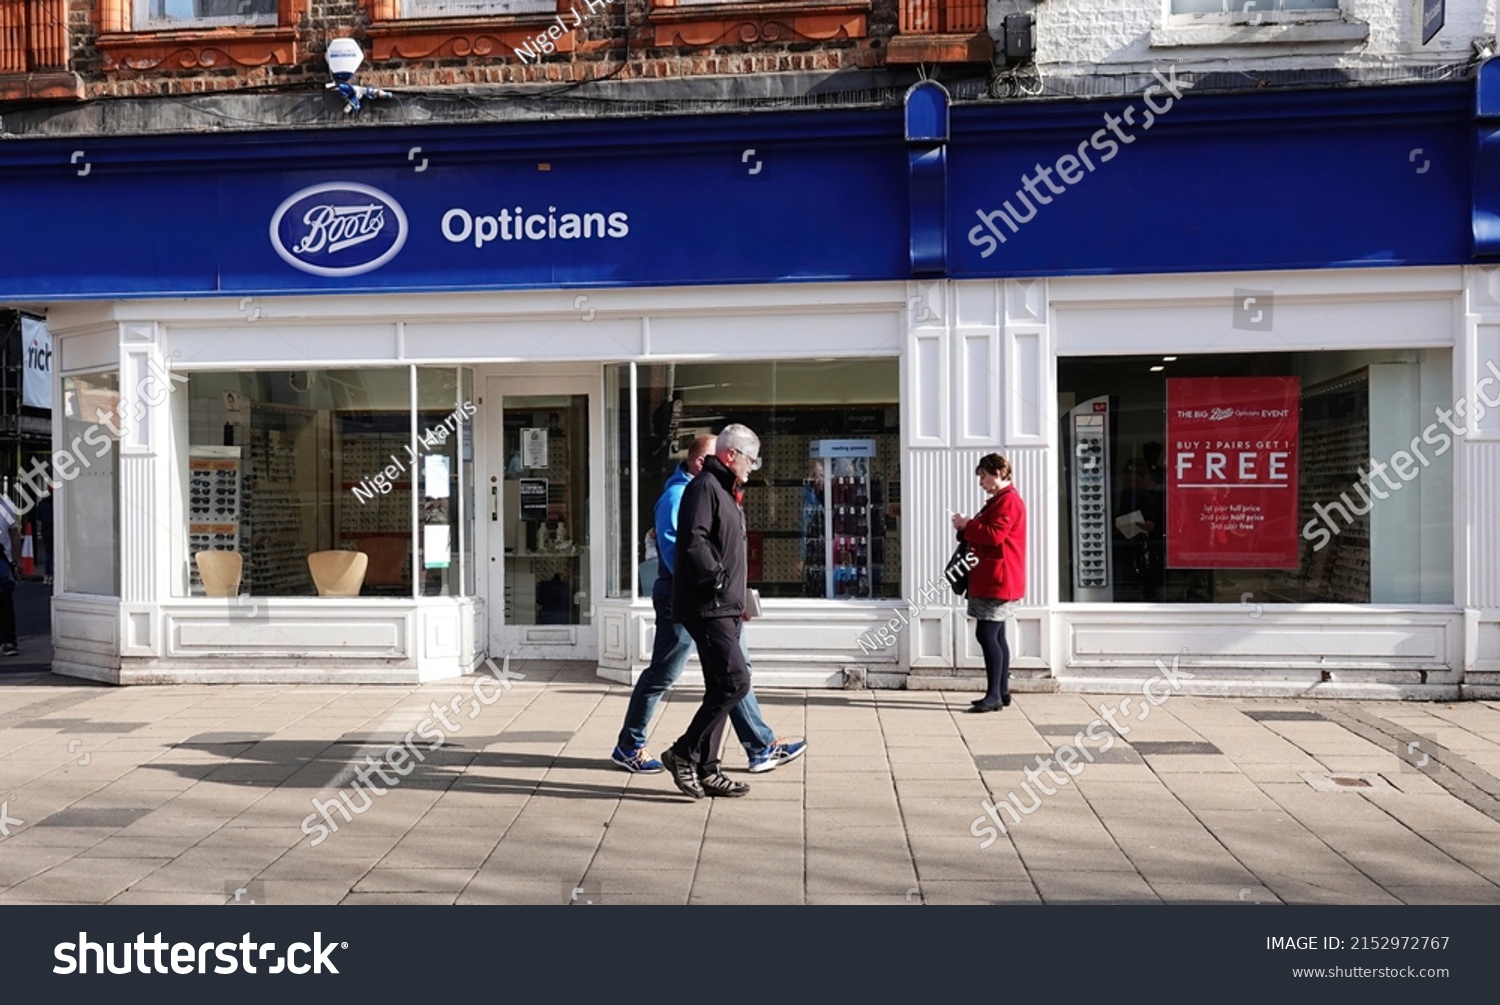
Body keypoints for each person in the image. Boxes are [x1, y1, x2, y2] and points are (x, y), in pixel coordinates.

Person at [611, 434, 805, 776]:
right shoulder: (680, 495)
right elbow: (680, 555)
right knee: (665, 673)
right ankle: (630, 744)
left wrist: (731, 593)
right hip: (686, 600)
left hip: (716, 601)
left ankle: (759, 746)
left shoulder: (712, 489)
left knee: (733, 672)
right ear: (702, 462)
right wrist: (716, 586)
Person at [660, 424, 765, 798]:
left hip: (726, 606)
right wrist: (721, 584)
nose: (754, 467)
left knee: (722, 686)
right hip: (708, 606)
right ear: (730, 455)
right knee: (735, 682)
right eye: (751, 459)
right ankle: (683, 753)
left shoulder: (724, 489)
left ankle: (707, 767)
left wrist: (739, 597)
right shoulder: (704, 487)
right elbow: (693, 543)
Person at [951, 453, 1027, 713]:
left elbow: (995, 535)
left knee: (986, 634)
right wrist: (965, 528)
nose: (981, 481)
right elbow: (987, 532)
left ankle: (994, 694)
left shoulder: (1008, 502)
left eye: (983, 475)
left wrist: (967, 524)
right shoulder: (1001, 500)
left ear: (998, 472)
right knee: (997, 634)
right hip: (995, 576)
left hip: (997, 578)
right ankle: (1001, 691)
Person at [1115, 459, 1165, 601]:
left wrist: (1153, 526)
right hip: (1127, 550)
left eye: (1137, 477)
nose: (1132, 480)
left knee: (1150, 587)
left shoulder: (1155, 495)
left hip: (1151, 549)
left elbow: (1167, 521)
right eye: (1129, 478)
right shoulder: (1122, 495)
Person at [0, 495, 20, 656]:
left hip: (3, 559)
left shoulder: (7, 506)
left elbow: (14, 534)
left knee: (5, 601)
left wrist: (17, 560)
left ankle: (8, 640)